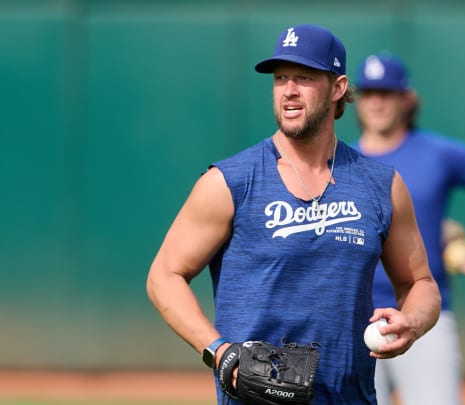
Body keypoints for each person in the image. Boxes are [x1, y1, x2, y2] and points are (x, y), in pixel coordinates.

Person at [146, 25, 441, 405]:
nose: (288, 90)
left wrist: (412, 322)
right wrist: (218, 351)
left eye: (304, 77)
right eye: (280, 77)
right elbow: (163, 276)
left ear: (338, 88)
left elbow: (421, 283)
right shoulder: (231, 182)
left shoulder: (381, 185)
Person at [352, 53, 465, 405]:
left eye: (387, 92)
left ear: (407, 99)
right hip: (356, 316)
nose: (376, 101)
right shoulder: (341, 160)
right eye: (370, 92)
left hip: (424, 318)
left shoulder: (438, 154)